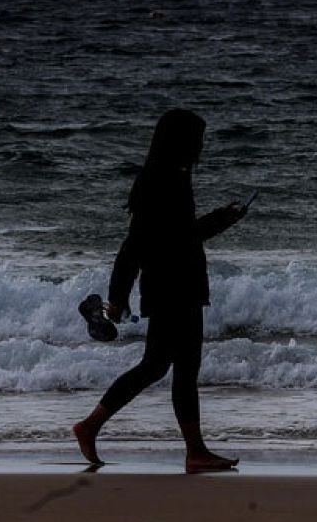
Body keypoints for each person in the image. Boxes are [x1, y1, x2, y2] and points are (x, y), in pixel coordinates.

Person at [72, 109, 247, 473]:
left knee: (163, 367)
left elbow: (179, 236)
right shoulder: (160, 180)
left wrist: (221, 219)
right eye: (196, 139)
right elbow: (136, 244)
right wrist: (118, 296)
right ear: (179, 141)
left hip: (178, 286)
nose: (200, 146)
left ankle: (189, 450)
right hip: (172, 288)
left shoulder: (172, 176)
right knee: (169, 367)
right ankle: (96, 428)